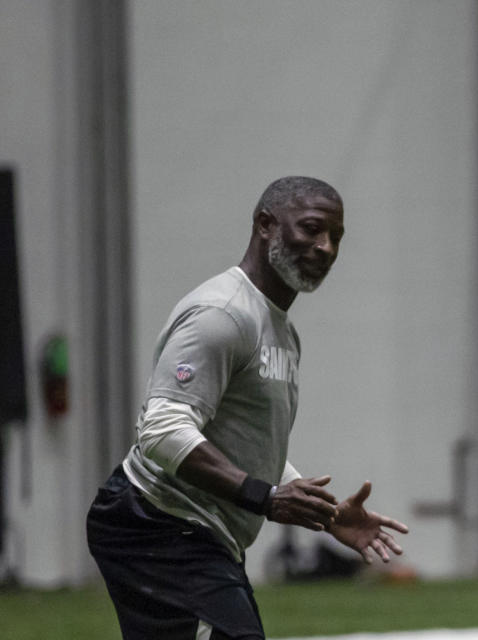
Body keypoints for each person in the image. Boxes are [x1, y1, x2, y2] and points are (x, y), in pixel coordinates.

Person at [87, 176, 409, 640]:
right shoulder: (223, 315)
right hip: (157, 524)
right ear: (266, 225)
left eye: (336, 236)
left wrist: (326, 513)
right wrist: (267, 498)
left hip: (197, 532)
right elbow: (160, 429)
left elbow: (249, 444)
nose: (326, 247)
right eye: (312, 229)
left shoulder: (280, 329)